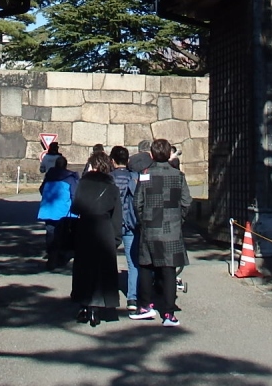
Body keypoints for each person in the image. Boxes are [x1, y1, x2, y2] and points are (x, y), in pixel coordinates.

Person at [131, 138, 192, 326]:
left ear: (152, 154)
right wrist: (179, 220)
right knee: (169, 270)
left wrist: (143, 220)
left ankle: (145, 306)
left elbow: (137, 202)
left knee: (146, 266)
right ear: (168, 153)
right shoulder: (178, 175)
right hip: (172, 228)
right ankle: (168, 313)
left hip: (150, 226)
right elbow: (186, 201)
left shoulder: (145, 175)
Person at [70, 151, 122, 326]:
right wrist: (116, 238)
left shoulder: (83, 184)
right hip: (105, 229)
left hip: (85, 228)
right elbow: (117, 215)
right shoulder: (112, 187)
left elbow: (76, 207)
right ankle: (97, 307)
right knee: (102, 270)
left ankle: (84, 304)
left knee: (84, 268)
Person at [109, 145, 141, 311]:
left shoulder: (109, 178)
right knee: (133, 262)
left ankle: (107, 293)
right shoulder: (134, 177)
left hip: (111, 224)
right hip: (130, 222)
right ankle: (132, 298)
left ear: (112, 161)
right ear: (127, 160)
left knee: (108, 260)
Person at [37, 155, 78, 271]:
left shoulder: (49, 176)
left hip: (49, 209)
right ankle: (59, 257)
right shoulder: (70, 178)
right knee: (62, 234)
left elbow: (41, 189)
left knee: (50, 233)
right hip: (64, 211)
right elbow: (74, 194)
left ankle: (51, 256)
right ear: (65, 166)